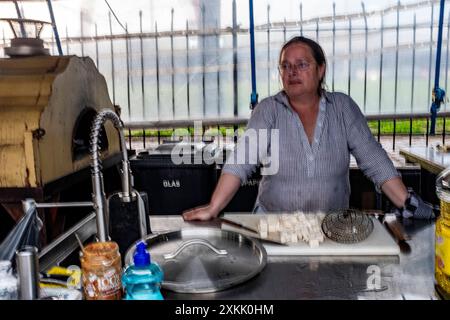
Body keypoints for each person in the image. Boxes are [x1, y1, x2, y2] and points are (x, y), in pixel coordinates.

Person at [183, 36, 434, 221]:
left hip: (331, 227)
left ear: (321, 69)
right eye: (285, 66)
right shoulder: (269, 110)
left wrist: (410, 205)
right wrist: (214, 207)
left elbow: (375, 161)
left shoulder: (342, 108)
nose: (292, 72)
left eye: (302, 64)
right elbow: (241, 161)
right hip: (274, 226)